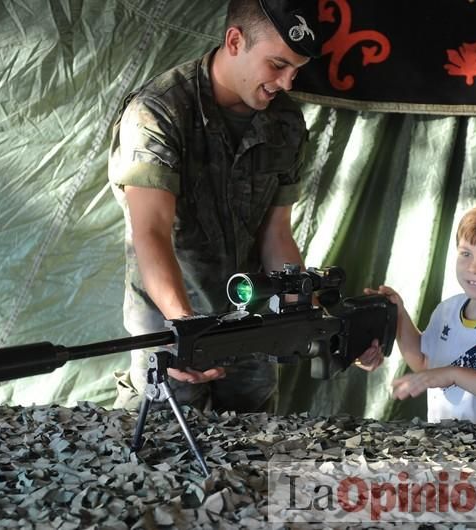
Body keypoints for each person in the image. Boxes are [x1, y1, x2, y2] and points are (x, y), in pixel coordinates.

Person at [108, 0, 322, 413]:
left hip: (251, 311)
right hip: (170, 315)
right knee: (163, 446)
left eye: (295, 70)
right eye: (277, 64)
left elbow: (276, 233)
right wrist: (184, 326)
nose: (287, 82)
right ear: (235, 40)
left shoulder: (287, 122)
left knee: (251, 439)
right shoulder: (158, 112)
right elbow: (149, 232)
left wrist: (299, 310)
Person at [357, 200, 476, 424]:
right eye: (466, 253)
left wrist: (453, 374)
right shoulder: (448, 309)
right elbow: (424, 362)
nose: (474, 268)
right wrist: (399, 314)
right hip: (444, 444)